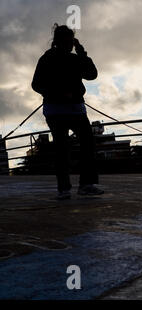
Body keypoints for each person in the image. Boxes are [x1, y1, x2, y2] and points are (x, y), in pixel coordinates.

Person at [32, 24, 104, 200]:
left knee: (87, 144)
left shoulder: (75, 58)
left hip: (75, 108)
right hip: (56, 110)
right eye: (69, 41)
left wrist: (81, 52)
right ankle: (65, 188)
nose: (71, 44)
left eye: (72, 41)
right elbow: (36, 84)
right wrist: (57, 93)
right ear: (58, 41)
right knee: (63, 148)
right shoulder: (47, 59)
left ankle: (84, 185)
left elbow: (92, 74)